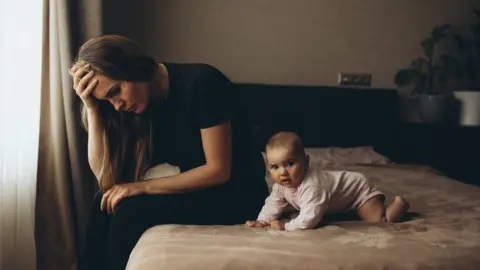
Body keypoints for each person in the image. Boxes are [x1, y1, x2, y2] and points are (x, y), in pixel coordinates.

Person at [70, 35, 269, 270]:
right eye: (108, 100)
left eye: (116, 91)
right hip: (198, 193)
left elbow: (219, 171)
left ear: (134, 67)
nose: (118, 104)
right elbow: (105, 179)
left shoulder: (202, 83)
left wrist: (141, 187)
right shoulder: (133, 107)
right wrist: (92, 109)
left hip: (237, 195)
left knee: (130, 210)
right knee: (103, 202)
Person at [245, 131, 410, 231]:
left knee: (379, 221)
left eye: (289, 164)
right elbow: (273, 204)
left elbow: (309, 219)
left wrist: (285, 225)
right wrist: (262, 220)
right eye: (274, 167)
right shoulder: (280, 185)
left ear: (306, 162)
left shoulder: (312, 186)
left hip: (357, 191)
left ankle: (398, 204)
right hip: (336, 196)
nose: (283, 173)